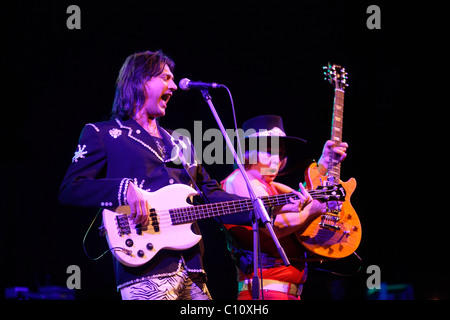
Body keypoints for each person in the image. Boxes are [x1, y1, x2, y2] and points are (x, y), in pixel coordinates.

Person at [58, 50, 253, 300]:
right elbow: (71, 188)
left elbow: (210, 194)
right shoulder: (102, 133)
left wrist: (261, 209)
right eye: (165, 77)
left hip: (193, 268)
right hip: (144, 270)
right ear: (140, 81)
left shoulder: (180, 142)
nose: (173, 86)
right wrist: (123, 189)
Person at [221, 115, 348, 300]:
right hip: (264, 293)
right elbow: (275, 226)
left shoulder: (272, 187)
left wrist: (324, 164)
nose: (276, 160)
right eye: (268, 152)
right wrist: (312, 211)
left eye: (280, 154)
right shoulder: (240, 180)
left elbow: (303, 199)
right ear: (247, 152)